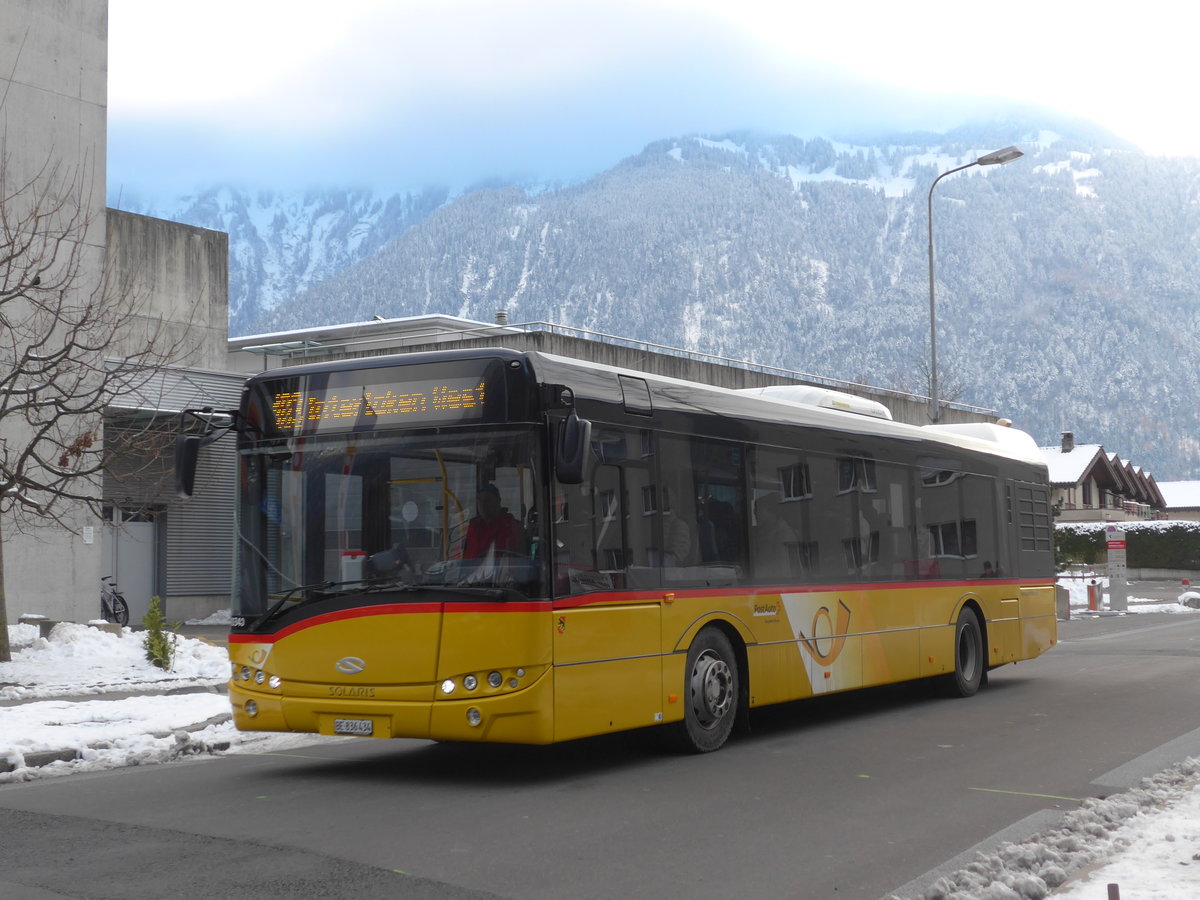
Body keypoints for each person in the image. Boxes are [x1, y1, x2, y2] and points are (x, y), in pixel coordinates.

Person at [463, 483, 525, 559]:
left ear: (498, 501)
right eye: (479, 500)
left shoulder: (511, 525)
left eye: (488, 499)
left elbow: (517, 558)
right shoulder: (472, 527)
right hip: (472, 569)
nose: (483, 504)